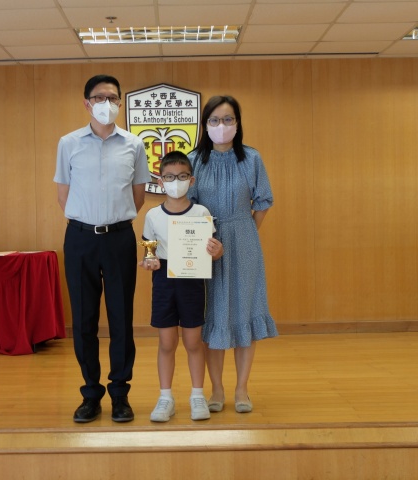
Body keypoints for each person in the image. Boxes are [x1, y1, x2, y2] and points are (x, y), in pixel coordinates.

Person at [54, 74, 151, 423]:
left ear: (120, 103)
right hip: (80, 238)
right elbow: (63, 194)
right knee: (84, 320)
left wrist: (112, 220)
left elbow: (138, 195)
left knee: (121, 318)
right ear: (86, 103)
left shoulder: (134, 144)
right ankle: (90, 394)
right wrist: (88, 221)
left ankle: (120, 394)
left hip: (119, 237)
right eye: (99, 97)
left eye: (112, 98)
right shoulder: (68, 143)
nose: (106, 104)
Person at [187, 95, 277, 414]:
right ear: (205, 124)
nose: (221, 126)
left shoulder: (251, 158)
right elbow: (187, 206)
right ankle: (216, 389)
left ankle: (241, 388)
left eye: (228, 119)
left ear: (237, 123)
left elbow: (263, 201)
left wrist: (245, 231)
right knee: (213, 316)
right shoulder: (194, 160)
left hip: (244, 242)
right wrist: (205, 238)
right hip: (206, 245)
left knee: (243, 313)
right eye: (214, 120)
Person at [139, 151, 224, 422]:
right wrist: (149, 261)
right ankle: (166, 398)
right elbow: (148, 251)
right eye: (169, 177)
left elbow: (213, 250)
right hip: (164, 281)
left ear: (192, 180)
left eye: (182, 176)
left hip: (192, 281)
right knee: (166, 342)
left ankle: (197, 395)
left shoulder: (202, 213)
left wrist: (217, 251)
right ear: (161, 182)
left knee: (193, 341)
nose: (176, 182)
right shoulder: (152, 215)